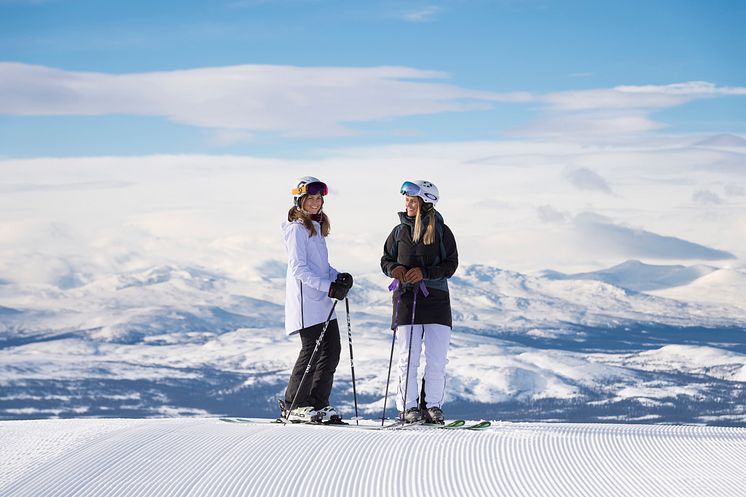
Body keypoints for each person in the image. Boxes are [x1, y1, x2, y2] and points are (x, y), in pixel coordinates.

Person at [381, 180, 459, 424]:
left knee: (437, 358)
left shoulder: (442, 232)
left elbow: (451, 264)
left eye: (413, 201)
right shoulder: (398, 232)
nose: (408, 204)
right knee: (408, 358)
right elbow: (385, 260)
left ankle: (432, 406)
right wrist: (395, 269)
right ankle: (408, 408)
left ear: (426, 203)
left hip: (436, 300)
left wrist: (425, 273)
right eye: (407, 200)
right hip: (406, 299)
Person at [282, 176, 353, 423]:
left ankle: (318, 403)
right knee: (311, 351)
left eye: (318, 198)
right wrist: (328, 286)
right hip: (307, 302)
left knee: (331, 351)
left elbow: (321, 267)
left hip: (323, 301)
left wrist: (338, 277)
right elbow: (299, 269)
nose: (315, 202)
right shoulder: (296, 229)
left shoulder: (317, 228)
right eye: (309, 198)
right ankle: (294, 404)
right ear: (300, 201)